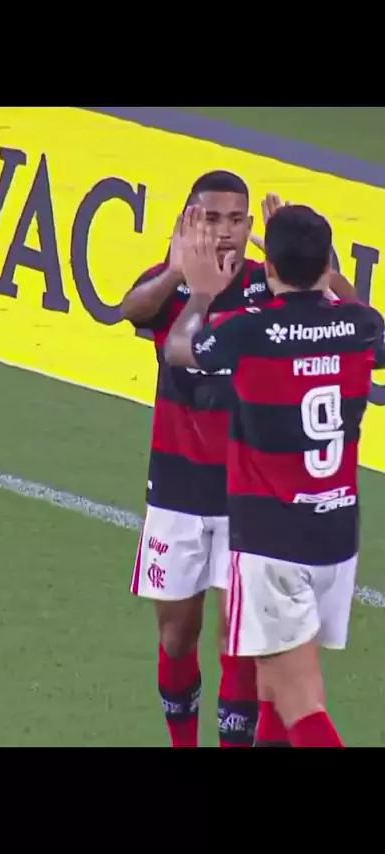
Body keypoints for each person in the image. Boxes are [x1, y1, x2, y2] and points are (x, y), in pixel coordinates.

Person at [121, 170, 357, 748]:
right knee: (176, 636)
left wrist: (318, 266)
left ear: (252, 226)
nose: (224, 230)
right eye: (211, 218)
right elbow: (128, 310)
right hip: (176, 488)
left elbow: (339, 306)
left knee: (240, 644)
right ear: (189, 220)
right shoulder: (170, 282)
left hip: (244, 497)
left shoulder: (265, 288)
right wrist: (179, 273)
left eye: (235, 219)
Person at [164, 203, 385, 747]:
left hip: (273, 541)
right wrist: (328, 275)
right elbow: (364, 317)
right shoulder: (360, 326)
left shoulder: (249, 330)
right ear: (327, 264)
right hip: (336, 535)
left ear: (268, 267)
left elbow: (179, 350)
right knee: (273, 691)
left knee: (300, 702)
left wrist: (200, 295)